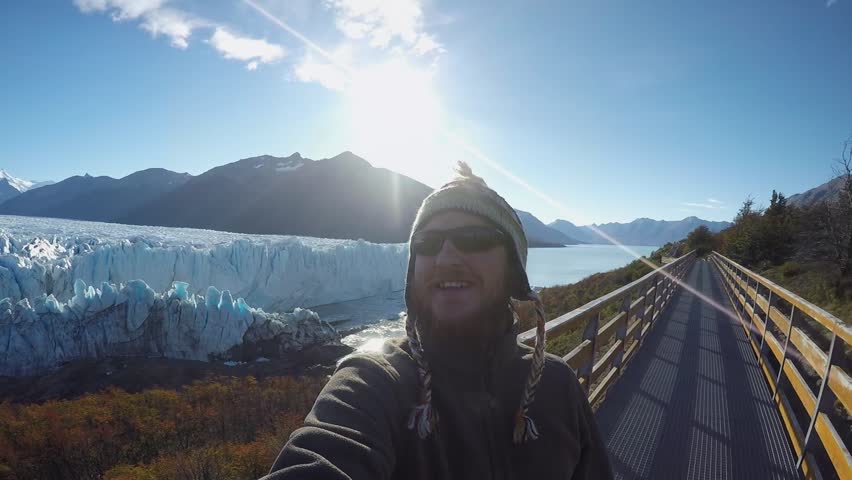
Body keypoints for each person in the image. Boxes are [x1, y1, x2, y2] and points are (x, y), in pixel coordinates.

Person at [262, 162, 612, 479]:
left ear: (514, 272)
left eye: (474, 239)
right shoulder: (376, 381)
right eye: (427, 244)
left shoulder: (557, 385)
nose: (445, 257)